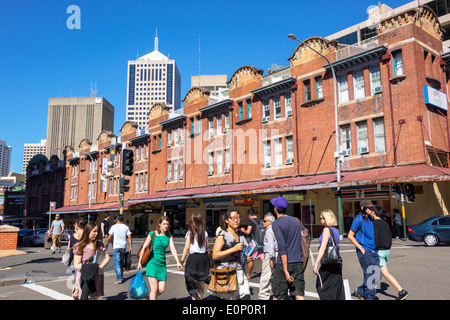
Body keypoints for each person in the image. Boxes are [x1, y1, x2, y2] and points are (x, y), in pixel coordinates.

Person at [137, 216, 182, 300]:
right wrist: (139, 262)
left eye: (167, 224)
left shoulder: (169, 236)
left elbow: (173, 249)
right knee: (154, 289)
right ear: (159, 224)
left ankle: (150, 298)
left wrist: (177, 261)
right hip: (152, 263)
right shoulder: (152, 234)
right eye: (164, 224)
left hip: (162, 265)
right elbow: (144, 248)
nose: (166, 226)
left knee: (161, 289)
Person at [210, 208, 251, 300]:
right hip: (226, 275)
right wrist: (233, 249)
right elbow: (215, 255)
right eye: (233, 218)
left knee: (246, 298)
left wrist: (248, 256)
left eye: (238, 217)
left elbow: (245, 250)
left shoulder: (240, 235)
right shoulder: (222, 235)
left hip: (240, 274)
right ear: (226, 220)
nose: (236, 220)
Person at [271, 196, 306, 300]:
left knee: (278, 295)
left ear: (276, 209)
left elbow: (282, 247)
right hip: (298, 262)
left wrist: (286, 271)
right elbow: (304, 235)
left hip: (283, 264)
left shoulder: (276, 224)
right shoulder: (296, 221)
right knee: (299, 293)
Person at [372, 205, 409, 300]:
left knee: (384, 273)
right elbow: (389, 236)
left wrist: (373, 249)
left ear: (373, 213)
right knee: (376, 272)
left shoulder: (374, 224)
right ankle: (371, 293)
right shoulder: (385, 223)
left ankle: (401, 291)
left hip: (379, 251)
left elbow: (376, 239)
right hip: (386, 251)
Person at [348, 199, 380, 300]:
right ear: (363, 208)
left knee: (377, 275)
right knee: (370, 274)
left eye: (372, 208)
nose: (371, 209)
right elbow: (350, 235)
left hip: (374, 250)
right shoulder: (358, 219)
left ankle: (361, 290)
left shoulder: (370, 219)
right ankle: (370, 297)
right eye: (369, 208)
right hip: (365, 251)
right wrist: (361, 248)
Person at [73, 221, 110, 300]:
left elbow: (107, 257)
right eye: (94, 231)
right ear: (88, 231)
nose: (96, 234)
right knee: (87, 297)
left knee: (95, 297)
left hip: (97, 276)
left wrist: (99, 268)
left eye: (97, 231)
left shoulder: (99, 245)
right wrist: (91, 268)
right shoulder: (80, 246)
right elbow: (76, 264)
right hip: (85, 277)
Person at [313, 209, 345, 300]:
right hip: (336, 261)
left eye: (321, 218)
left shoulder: (326, 229)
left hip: (328, 262)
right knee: (335, 287)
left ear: (326, 218)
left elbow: (323, 248)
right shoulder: (335, 230)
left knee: (321, 286)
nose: (320, 220)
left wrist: (316, 263)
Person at [180, 212, 210, 300]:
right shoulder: (205, 233)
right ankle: (200, 298)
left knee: (190, 279)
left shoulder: (190, 233)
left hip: (193, 258)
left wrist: (182, 260)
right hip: (203, 258)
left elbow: (186, 248)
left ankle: (194, 298)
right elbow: (208, 246)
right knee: (201, 280)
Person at [106, 215, 132, 284]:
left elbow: (109, 237)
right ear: (123, 219)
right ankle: (121, 276)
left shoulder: (113, 227)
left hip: (116, 246)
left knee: (117, 263)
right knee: (121, 261)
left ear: (117, 219)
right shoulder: (126, 227)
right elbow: (129, 237)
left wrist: (106, 245)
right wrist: (130, 247)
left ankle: (119, 278)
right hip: (123, 246)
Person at [241, 208, 265, 280]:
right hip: (262, 242)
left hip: (254, 243)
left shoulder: (251, 221)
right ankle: (268, 273)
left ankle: (248, 274)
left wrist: (243, 230)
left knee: (250, 258)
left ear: (249, 215)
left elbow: (248, 232)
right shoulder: (261, 221)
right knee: (263, 257)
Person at [258, 212, 277, 300]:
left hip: (270, 255)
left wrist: (270, 258)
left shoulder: (269, 231)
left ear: (270, 222)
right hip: (277, 254)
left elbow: (270, 246)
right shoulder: (275, 229)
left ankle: (263, 296)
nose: (263, 222)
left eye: (264, 221)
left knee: (265, 276)